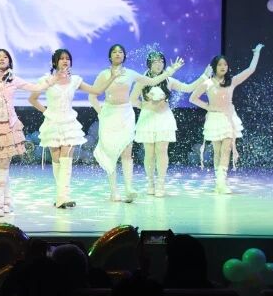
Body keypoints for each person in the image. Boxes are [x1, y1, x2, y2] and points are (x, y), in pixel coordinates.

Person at [31, 49, 179, 208]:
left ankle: (66, 196)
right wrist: (47, 112)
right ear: (55, 62)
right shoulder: (48, 80)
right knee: (60, 158)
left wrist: (169, 72)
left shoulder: (76, 80)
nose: (65, 61)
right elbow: (33, 98)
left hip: (90, 119)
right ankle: (66, 195)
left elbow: (98, 91)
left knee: (70, 157)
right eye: (61, 58)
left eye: (67, 58)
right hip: (60, 122)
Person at [89, 44, 187, 202]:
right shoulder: (103, 74)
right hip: (109, 114)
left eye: (120, 52)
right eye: (114, 52)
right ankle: (114, 191)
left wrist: (170, 71)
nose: (117, 54)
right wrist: (101, 113)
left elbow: (153, 80)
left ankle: (129, 188)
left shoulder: (130, 73)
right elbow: (92, 96)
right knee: (111, 152)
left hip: (126, 114)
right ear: (110, 56)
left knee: (127, 151)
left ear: (124, 56)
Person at [0, 48, 50, 218]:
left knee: (4, 166)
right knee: (2, 166)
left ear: (9, 61)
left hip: (10, 126)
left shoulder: (14, 79)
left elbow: (35, 87)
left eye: (5, 57)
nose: (2, 59)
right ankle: (6, 201)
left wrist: (52, 80)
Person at [130, 51, 210, 197]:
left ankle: (161, 183)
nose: (159, 64)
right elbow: (132, 99)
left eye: (161, 61)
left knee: (161, 151)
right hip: (147, 119)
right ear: (149, 64)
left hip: (164, 118)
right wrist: (146, 106)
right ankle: (150, 183)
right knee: (149, 153)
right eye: (155, 61)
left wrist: (204, 76)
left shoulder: (169, 81)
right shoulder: (142, 80)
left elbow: (188, 88)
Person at [190, 44, 263, 194]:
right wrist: (208, 107)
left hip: (229, 118)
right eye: (220, 64)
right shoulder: (208, 83)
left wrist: (256, 53)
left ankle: (222, 182)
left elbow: (250, 70)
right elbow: (193, 98)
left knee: (226, 149)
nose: (223, 67)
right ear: (214, 67)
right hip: (214, 119)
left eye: (225, 64)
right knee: (217, 151)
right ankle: (219, 182)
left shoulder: (232, 81)